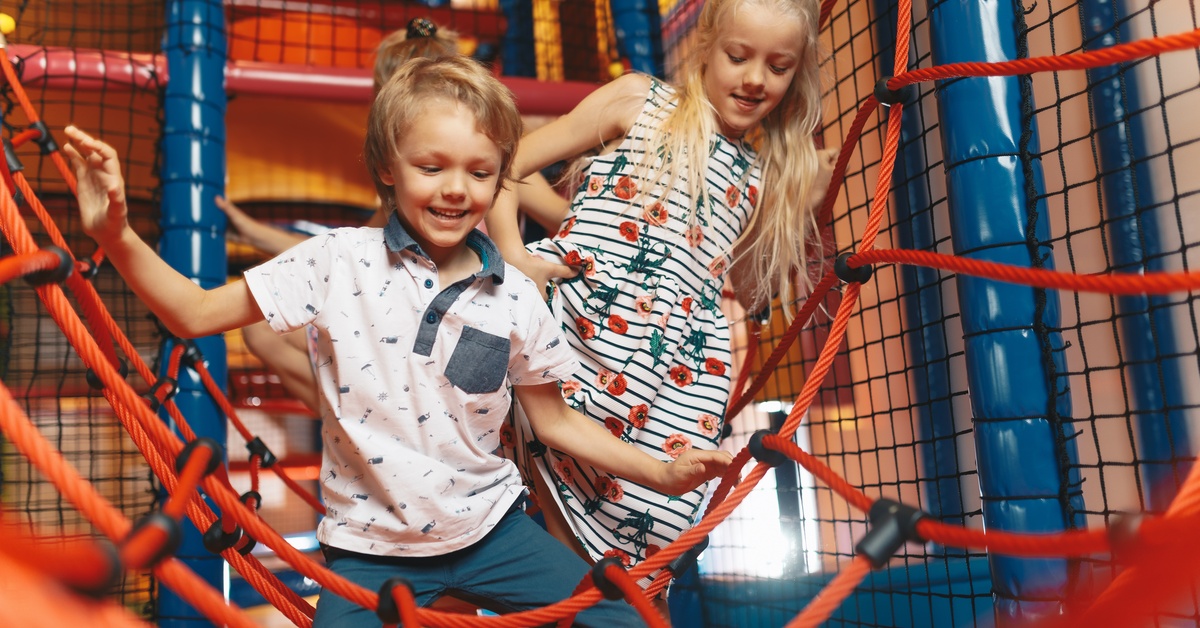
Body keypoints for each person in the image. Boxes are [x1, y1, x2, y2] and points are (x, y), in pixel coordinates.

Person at [65, 55, 731, 626]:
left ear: (501, 178)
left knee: (620, 612)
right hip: (369, 549)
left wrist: (659, 472)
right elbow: (193, 312)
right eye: (431, 167)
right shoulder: (336, 261)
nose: (454, 189)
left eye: (477, 172)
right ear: (387, 168)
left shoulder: (516, 296)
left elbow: (554, 421)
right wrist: (116, 235)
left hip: (492, 533)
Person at [484, 0, 839, 611]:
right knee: (583, 565)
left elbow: (749, 290)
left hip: (668, 376)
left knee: (650, 552)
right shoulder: (639, 101)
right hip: (583, 337)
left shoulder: (759, 173)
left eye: (778, 67)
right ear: (706, 47)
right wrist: (515, 255)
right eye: (738, 56)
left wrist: (802, 202)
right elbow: (506, 164)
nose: (755, 78)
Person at [218, 17, 570, 413]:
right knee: (264, 329)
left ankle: (371, 424)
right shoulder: (405, 188)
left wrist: (532, 259)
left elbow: (558, 213)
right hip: (408, 317)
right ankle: (367, 426)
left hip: (465, 321)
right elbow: (344, 252)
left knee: (272, 333)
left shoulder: (492, 165)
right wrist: (252, 232)